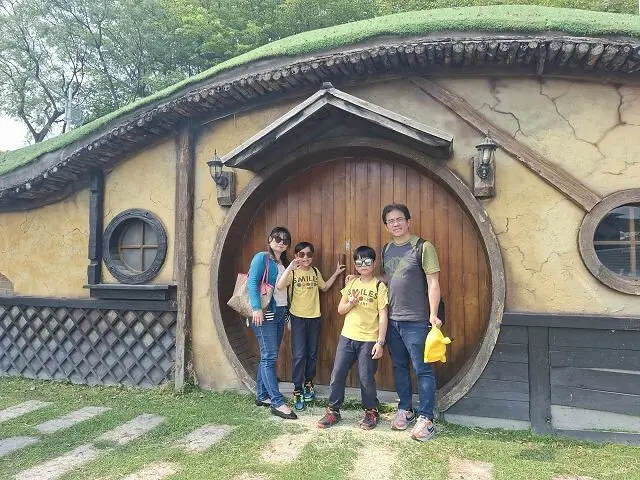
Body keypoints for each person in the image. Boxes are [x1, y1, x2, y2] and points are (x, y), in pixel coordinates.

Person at [381, 203, 442, 441]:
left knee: (422, 369)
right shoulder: (387, 249)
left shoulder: (422, 247)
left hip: (416, 320)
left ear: (408, 221)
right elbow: (388, 278)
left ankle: (426, 419)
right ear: (386, 226)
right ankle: (405, 409)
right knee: (399, 366)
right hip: (392, 319)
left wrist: (433, 314)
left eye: (399, 219)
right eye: (390, 221)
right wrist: (360, 277)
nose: (395, 224)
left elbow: (433, 282)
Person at [317, 246, 388, 430]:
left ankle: (371, 411)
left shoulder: (379, 286)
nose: (363, 265)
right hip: (348, 336)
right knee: (338, 373)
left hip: (369, 339)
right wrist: (351, 302)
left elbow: (383, 316)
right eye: (359, 262)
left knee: (365, 377)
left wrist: (380, 342)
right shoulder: (352, 284)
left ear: (374, 263)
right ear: (355, 265)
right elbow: (341, 310)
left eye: (367, 261)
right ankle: (333, 411)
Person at [276, 242, 345, 410]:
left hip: (314, 317)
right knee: (299, 355)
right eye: (301, 254)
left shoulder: (315, 272)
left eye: (308, 254)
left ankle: (308, 383)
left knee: (312, 353)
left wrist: (336, 273)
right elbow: (279, 286)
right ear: (296, 256)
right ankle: (297, 389)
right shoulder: (293, 273)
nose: (305, 257)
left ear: (312, 256)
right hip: (297, 318)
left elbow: (325, 287)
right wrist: (290, 267)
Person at [247, 226, 297, 420]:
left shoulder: (282, 262)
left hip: (279, 312)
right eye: (278, 238)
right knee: (269, 357)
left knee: (267, 356)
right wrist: (256, 308)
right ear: (270, 239)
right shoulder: (262, 258)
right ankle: (277, 402)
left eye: (285, 240)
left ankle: (262, 395)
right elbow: (252, 282)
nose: (281, 242)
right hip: (265, 313)